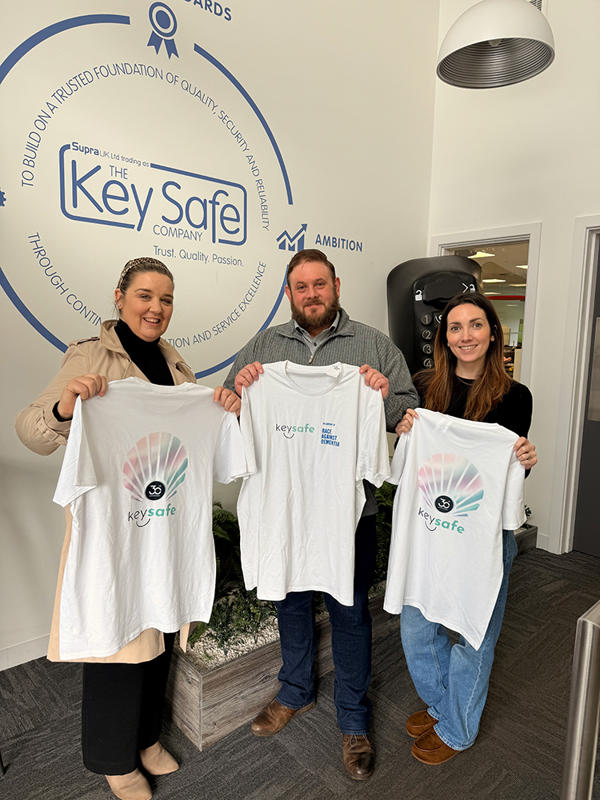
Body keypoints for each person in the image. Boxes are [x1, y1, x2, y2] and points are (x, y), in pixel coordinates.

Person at [16, 257, 240, 800]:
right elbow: (31, 430)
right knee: (116, 640)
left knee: (159, 634)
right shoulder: (89, 356)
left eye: (165, 299)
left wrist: (225, 406)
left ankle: (143, 739)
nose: (155, 308)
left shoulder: (175, 363)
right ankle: (114, 760)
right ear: (119, 297)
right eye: (144, 296)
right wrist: (68, 405)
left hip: (163, 531)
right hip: (118, 531)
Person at [223, 248, 418, 780]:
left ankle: (354, 721)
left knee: (351, 612)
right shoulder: (264, 347)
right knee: (289, 600)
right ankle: (296, 692)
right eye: (301, 287)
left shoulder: (373, 346)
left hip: (342, 510)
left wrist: (381, 398)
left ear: (336, 285)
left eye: (319, 284)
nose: (311, 294)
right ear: (289, 294)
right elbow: (227, 404)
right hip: (284, 508)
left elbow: (408, 409)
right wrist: (239, 390)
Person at [394, 291, 537, 765]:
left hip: (483, 536)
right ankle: (440, 703)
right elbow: (410, 454)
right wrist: (405, 428)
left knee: (474, 633)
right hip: (430, 529)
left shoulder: (515, 397)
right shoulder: (424, 385)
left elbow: (508, 472)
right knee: (418, 626)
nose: (465, 336)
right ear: (444, 337)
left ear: (492, 333)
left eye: (476, 325)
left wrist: (524, 461)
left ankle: (458, 727)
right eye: (455, 328)